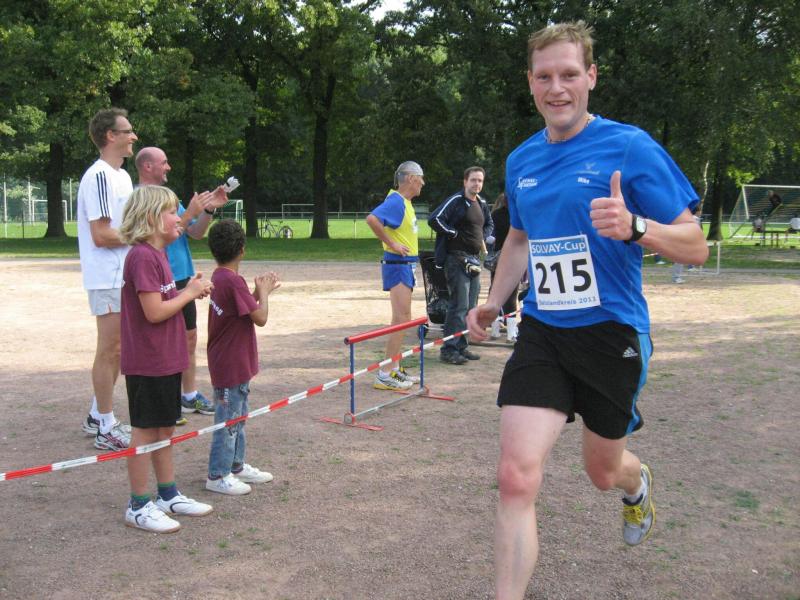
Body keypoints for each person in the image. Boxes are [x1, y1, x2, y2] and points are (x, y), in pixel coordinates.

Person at [465, 22, 708, 599]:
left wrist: (637, 227)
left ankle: (635, 482)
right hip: (545, 332)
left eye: (569, 74)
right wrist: (493, 301)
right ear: (530, 82)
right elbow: (519, 239)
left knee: (602, 472)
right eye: (544, 76)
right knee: (514, 476)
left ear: (591, 77)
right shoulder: (521, 159)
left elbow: (695, 244)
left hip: (611, 334)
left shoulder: (629, 147)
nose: (557, 88)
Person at [118, 185, 215, 533]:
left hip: (165, 359)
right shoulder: (142, 256)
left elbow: (165, 300)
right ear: (151, 218)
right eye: (172, 212)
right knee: (145, 431)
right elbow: (154, 311)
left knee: (164, 428)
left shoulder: (159, 254)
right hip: (148, 361)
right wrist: (188, 293)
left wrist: (189, 290)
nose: (179, 218)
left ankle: (168, 495)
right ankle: (138, 505)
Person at [135, 147, 229, 423]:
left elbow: (195, 232)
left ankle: (188, 395)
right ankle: (166, 402)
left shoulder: (169, 198)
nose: (169, 167)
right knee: (163, 342)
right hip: (160, 279)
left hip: (183, 276)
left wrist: (207, 209)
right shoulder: (140, 199)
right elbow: (158, 236)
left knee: (189, 337)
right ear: (148, 166)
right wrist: (190, 213)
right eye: (164, 162)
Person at [77, 108, 137, 451]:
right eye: (127, 131)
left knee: (119, 349)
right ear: (110, 136)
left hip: (122, 273)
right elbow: (101, 235)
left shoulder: (123, 176)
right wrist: (142, 235)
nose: (133, 137)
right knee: (110, 348)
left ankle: (96, 414)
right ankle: (105, 426)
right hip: (106, 275)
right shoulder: (99, 176)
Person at [205, 219, 279, 495]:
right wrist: (265, 293)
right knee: (228, 421)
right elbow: (260, 317)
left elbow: (243, 306)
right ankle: (217, 474)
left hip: (232, 362)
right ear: (242, 250)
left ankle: (235, 465)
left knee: (238, 417)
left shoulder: (220, 277)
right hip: (230, 364)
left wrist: (256, 292)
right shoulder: (233, 281)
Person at [365, 161, 425, 390]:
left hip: (404, 265)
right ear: (410, 178)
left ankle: (394, 368)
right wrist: (392, 244)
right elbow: (372, 219)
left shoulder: (405, 203)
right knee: (400, 319)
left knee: (402, 318)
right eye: (421, 178)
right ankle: (384, 374)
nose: (423, 183)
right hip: (398, 264)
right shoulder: (397, 201)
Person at [428, 166, 493, 365]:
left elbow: (489, 224)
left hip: (474, 260)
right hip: (456, 260)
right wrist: (453, 233)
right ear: (465, 181)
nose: (477, 184)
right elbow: (435, 219)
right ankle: (449, 349)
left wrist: (481, 237)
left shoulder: (482, 203)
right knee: (459, 305)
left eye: (480, 180)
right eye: (473, 180)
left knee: (471, 307)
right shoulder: (456, 200)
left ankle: (462, 347)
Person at [488, 193, 520, 342]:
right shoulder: (517, 216)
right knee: (511, 297)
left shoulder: (495, 215)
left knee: (494, 293)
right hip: (513, 259)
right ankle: (511, 333)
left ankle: (495, 331)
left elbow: (490, 237)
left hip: (497, 259)